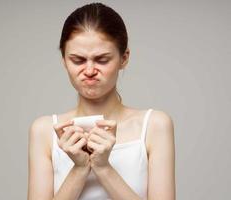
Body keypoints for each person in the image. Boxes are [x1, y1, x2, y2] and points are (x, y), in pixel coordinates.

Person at [28, 2, 175, 200]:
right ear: (64, 60)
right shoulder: (45, 130)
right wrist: (80, 169)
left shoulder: (155, 125)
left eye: (102, 60)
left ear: (124, 58)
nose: (89, 71)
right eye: (78, 60)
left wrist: (104, 168)